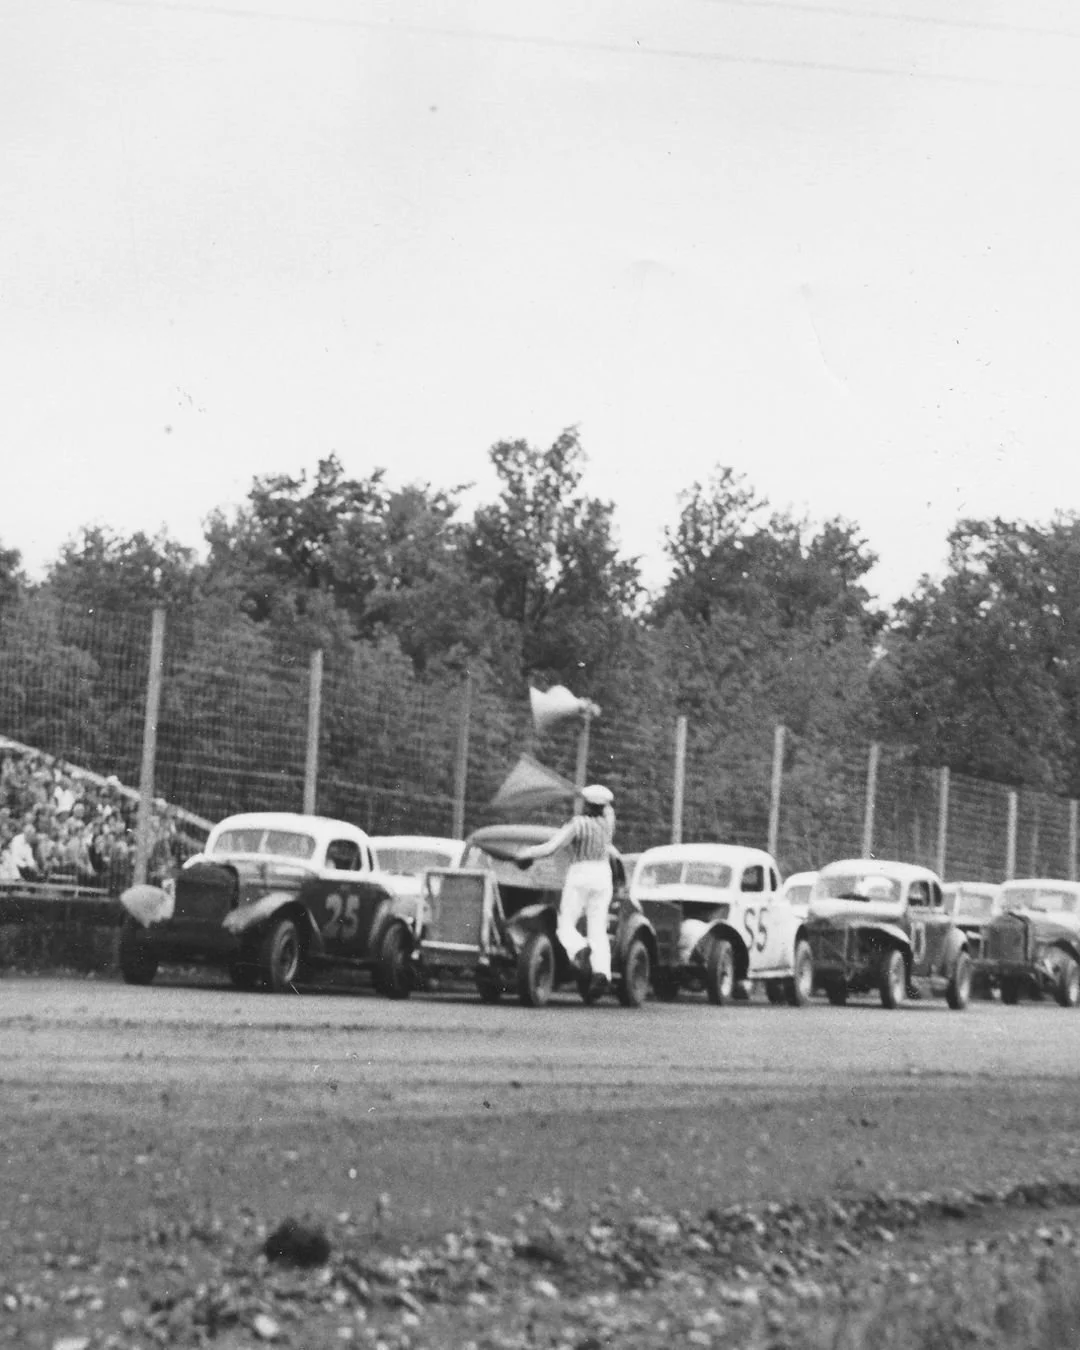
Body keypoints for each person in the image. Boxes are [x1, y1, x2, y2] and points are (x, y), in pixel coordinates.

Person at [513, 784, 616, 996]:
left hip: (581, 872)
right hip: (603, 875)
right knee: (598, 926)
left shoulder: (577, 825)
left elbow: (551, 847)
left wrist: (528, 853)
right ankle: (602, 973)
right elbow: (608, 809)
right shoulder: (608, 824)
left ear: (586, 804)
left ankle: (579, 947)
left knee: (565, 923)